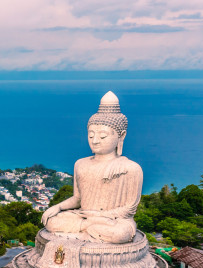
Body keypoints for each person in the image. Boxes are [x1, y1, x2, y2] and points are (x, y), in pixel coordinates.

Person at [41, 91, 142, 244]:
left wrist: (98, 216)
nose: (95, 141)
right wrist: (58, 207)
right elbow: (77, 199)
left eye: (102, 136)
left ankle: (86, 228)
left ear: (121, 136)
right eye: (90, 135)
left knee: (120, 234)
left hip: (112, 221)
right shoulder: (80, 163)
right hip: (85, 217)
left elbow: (129, 209)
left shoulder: (130, 168)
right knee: (51, 220)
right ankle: (88, 228)